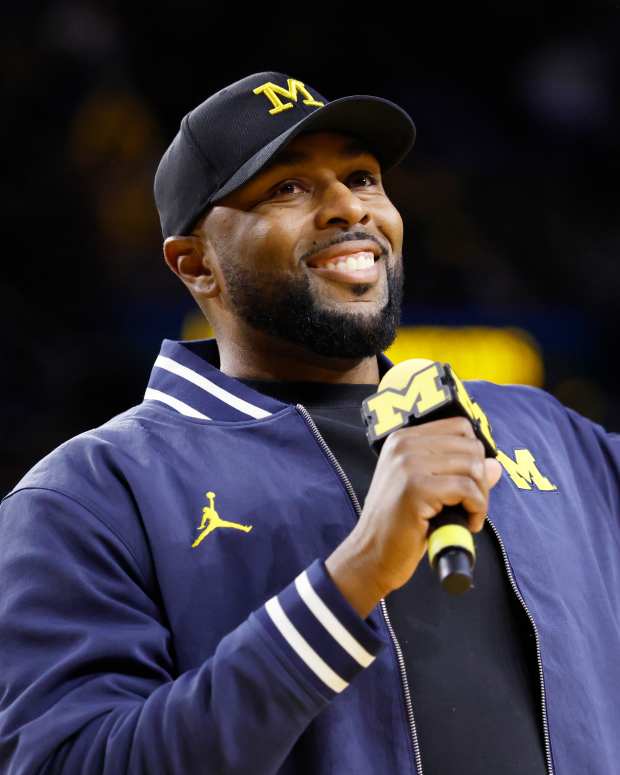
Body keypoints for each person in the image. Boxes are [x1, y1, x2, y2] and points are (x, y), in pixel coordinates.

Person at [0, 71, 618, 775]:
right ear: (195, 263)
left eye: (362, 176)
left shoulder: (546, 431)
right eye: (286, 188)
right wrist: (353, 575)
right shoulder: (93, 495)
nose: (347, 207)